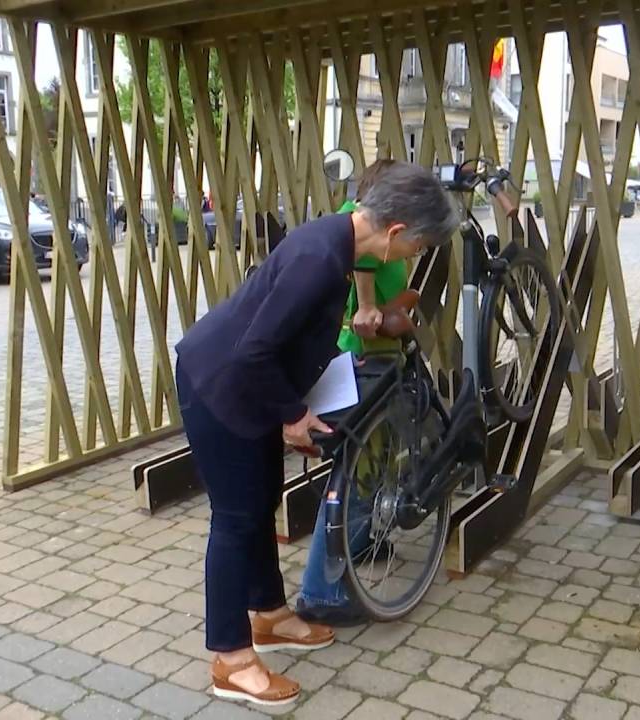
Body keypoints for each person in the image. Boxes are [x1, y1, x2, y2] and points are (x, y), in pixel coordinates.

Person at [174, 161, 456, 706]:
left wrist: (298, 403)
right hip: (220, 383)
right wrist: (293, 416)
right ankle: (230, 659)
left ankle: (270, 617)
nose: (412, 259)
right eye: (417, 248)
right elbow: (253, 349)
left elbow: (287, 339)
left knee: (259, 505)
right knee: (235, 520)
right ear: (395, 232)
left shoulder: (339, 246)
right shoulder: (320, 259)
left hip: (250, 383)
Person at [295, 158, 405, 626]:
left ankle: (357, 545)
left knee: (365, 465)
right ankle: (319, 591)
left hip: (371, 356)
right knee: (354, 473)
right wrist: (366, 307)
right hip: (359, 359)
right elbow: (362, 268)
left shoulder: (366, 228)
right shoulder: (360, 229)